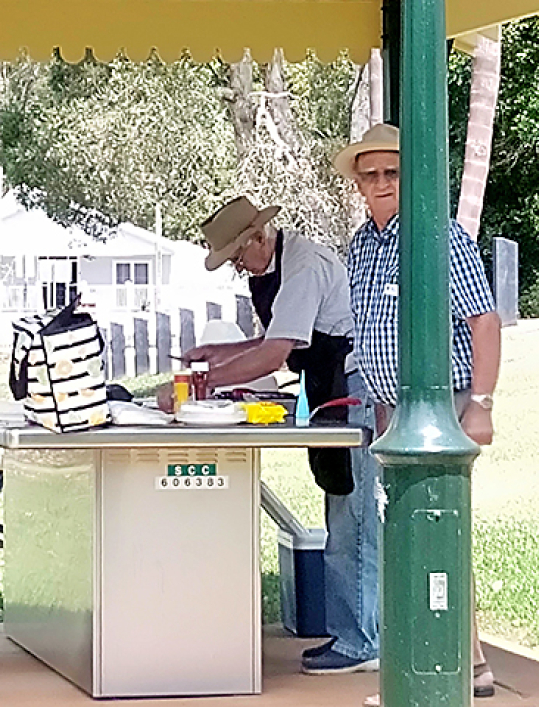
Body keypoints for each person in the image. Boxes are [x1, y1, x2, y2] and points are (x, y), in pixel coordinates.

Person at [159, 196, 381, 675]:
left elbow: (275, 354)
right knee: (341, 503)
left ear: (260, 237)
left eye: (239, 257)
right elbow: (276, 337)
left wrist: (203, 383)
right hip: (327, 386)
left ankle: (361, 641)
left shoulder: (303, 267)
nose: (240, 268)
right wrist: (218, 353)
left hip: (353, 386)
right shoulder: (279, 265)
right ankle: (356, 630)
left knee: (354, 516)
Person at [335, 124, 502, 702]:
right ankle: (433, 659)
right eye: (371, 175)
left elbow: (484, 322)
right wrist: (381, 410)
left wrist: (481, 405)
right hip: (390, 410)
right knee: (402, 536)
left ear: (412, 177)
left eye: (393, 172)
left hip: (444, 405)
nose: (382, 183)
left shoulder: (439, 237)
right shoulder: (361, 245)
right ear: (358, 184)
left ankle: (458, 666)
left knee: (435, 532)